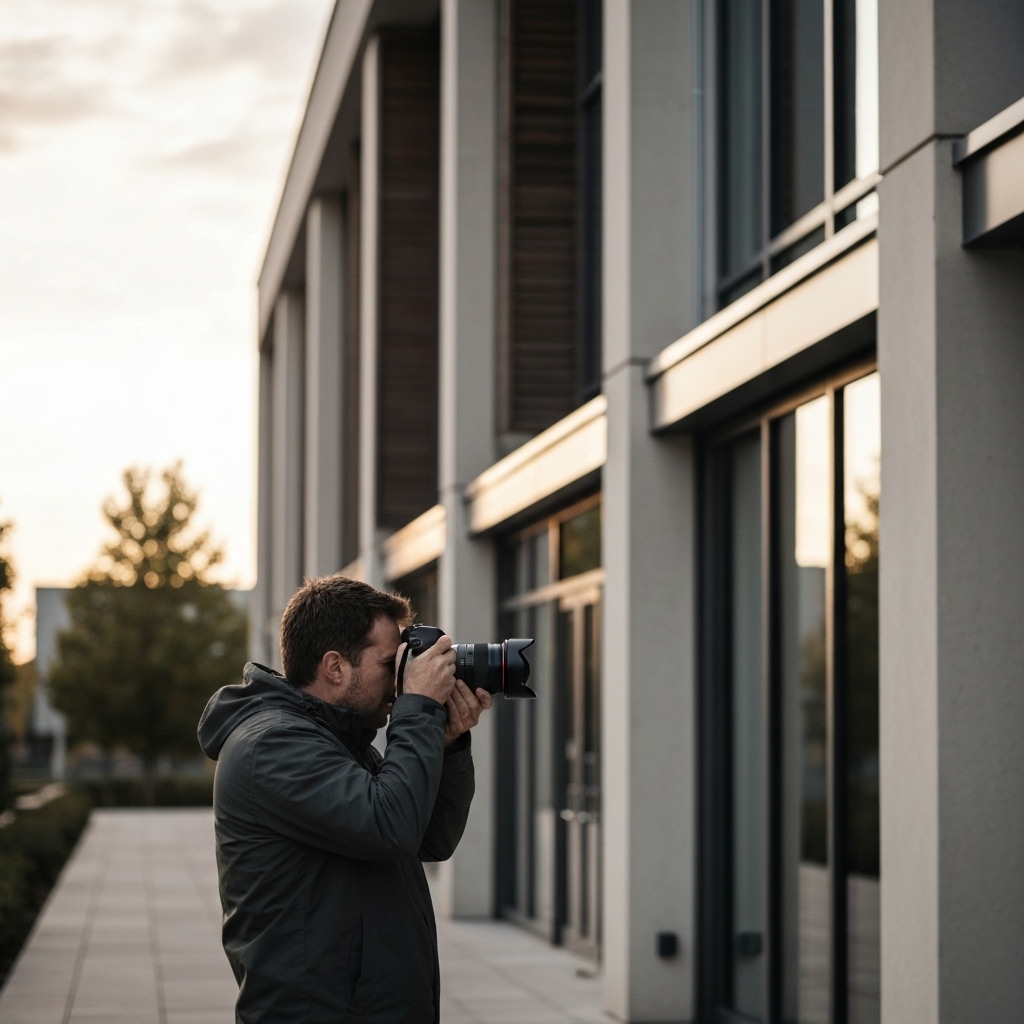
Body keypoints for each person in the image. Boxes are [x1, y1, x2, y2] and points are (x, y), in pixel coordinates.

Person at [197, 574, 492, 1024]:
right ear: (335, 667)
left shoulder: (338, 739)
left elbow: (430, 838)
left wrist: (446, 744)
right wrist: (417, 710)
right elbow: (392, 827)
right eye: (389, 665)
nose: (399, 682)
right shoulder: (273, 745)